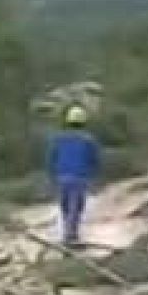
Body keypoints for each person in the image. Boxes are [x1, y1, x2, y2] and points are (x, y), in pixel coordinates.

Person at [46, 104, 100, 245]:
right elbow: (94, 160)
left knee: (65, 207)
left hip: (61, 177)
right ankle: (70, 237)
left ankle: (68, 233)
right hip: (80, 177)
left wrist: (52, 175)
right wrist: (94, 177)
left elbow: (52, 157)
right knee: (75, 208)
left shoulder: (59, 139)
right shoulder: (89, 140)